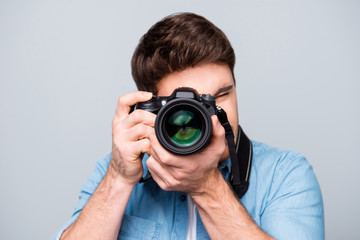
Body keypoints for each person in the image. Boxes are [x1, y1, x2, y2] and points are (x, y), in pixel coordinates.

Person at [53, 12, 324, 240]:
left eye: (221, 96)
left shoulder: (285, 175)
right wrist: (120, 179)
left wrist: (207, 187)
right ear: (150, 109)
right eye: (189, 107)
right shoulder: (117, 171)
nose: (212, 116)